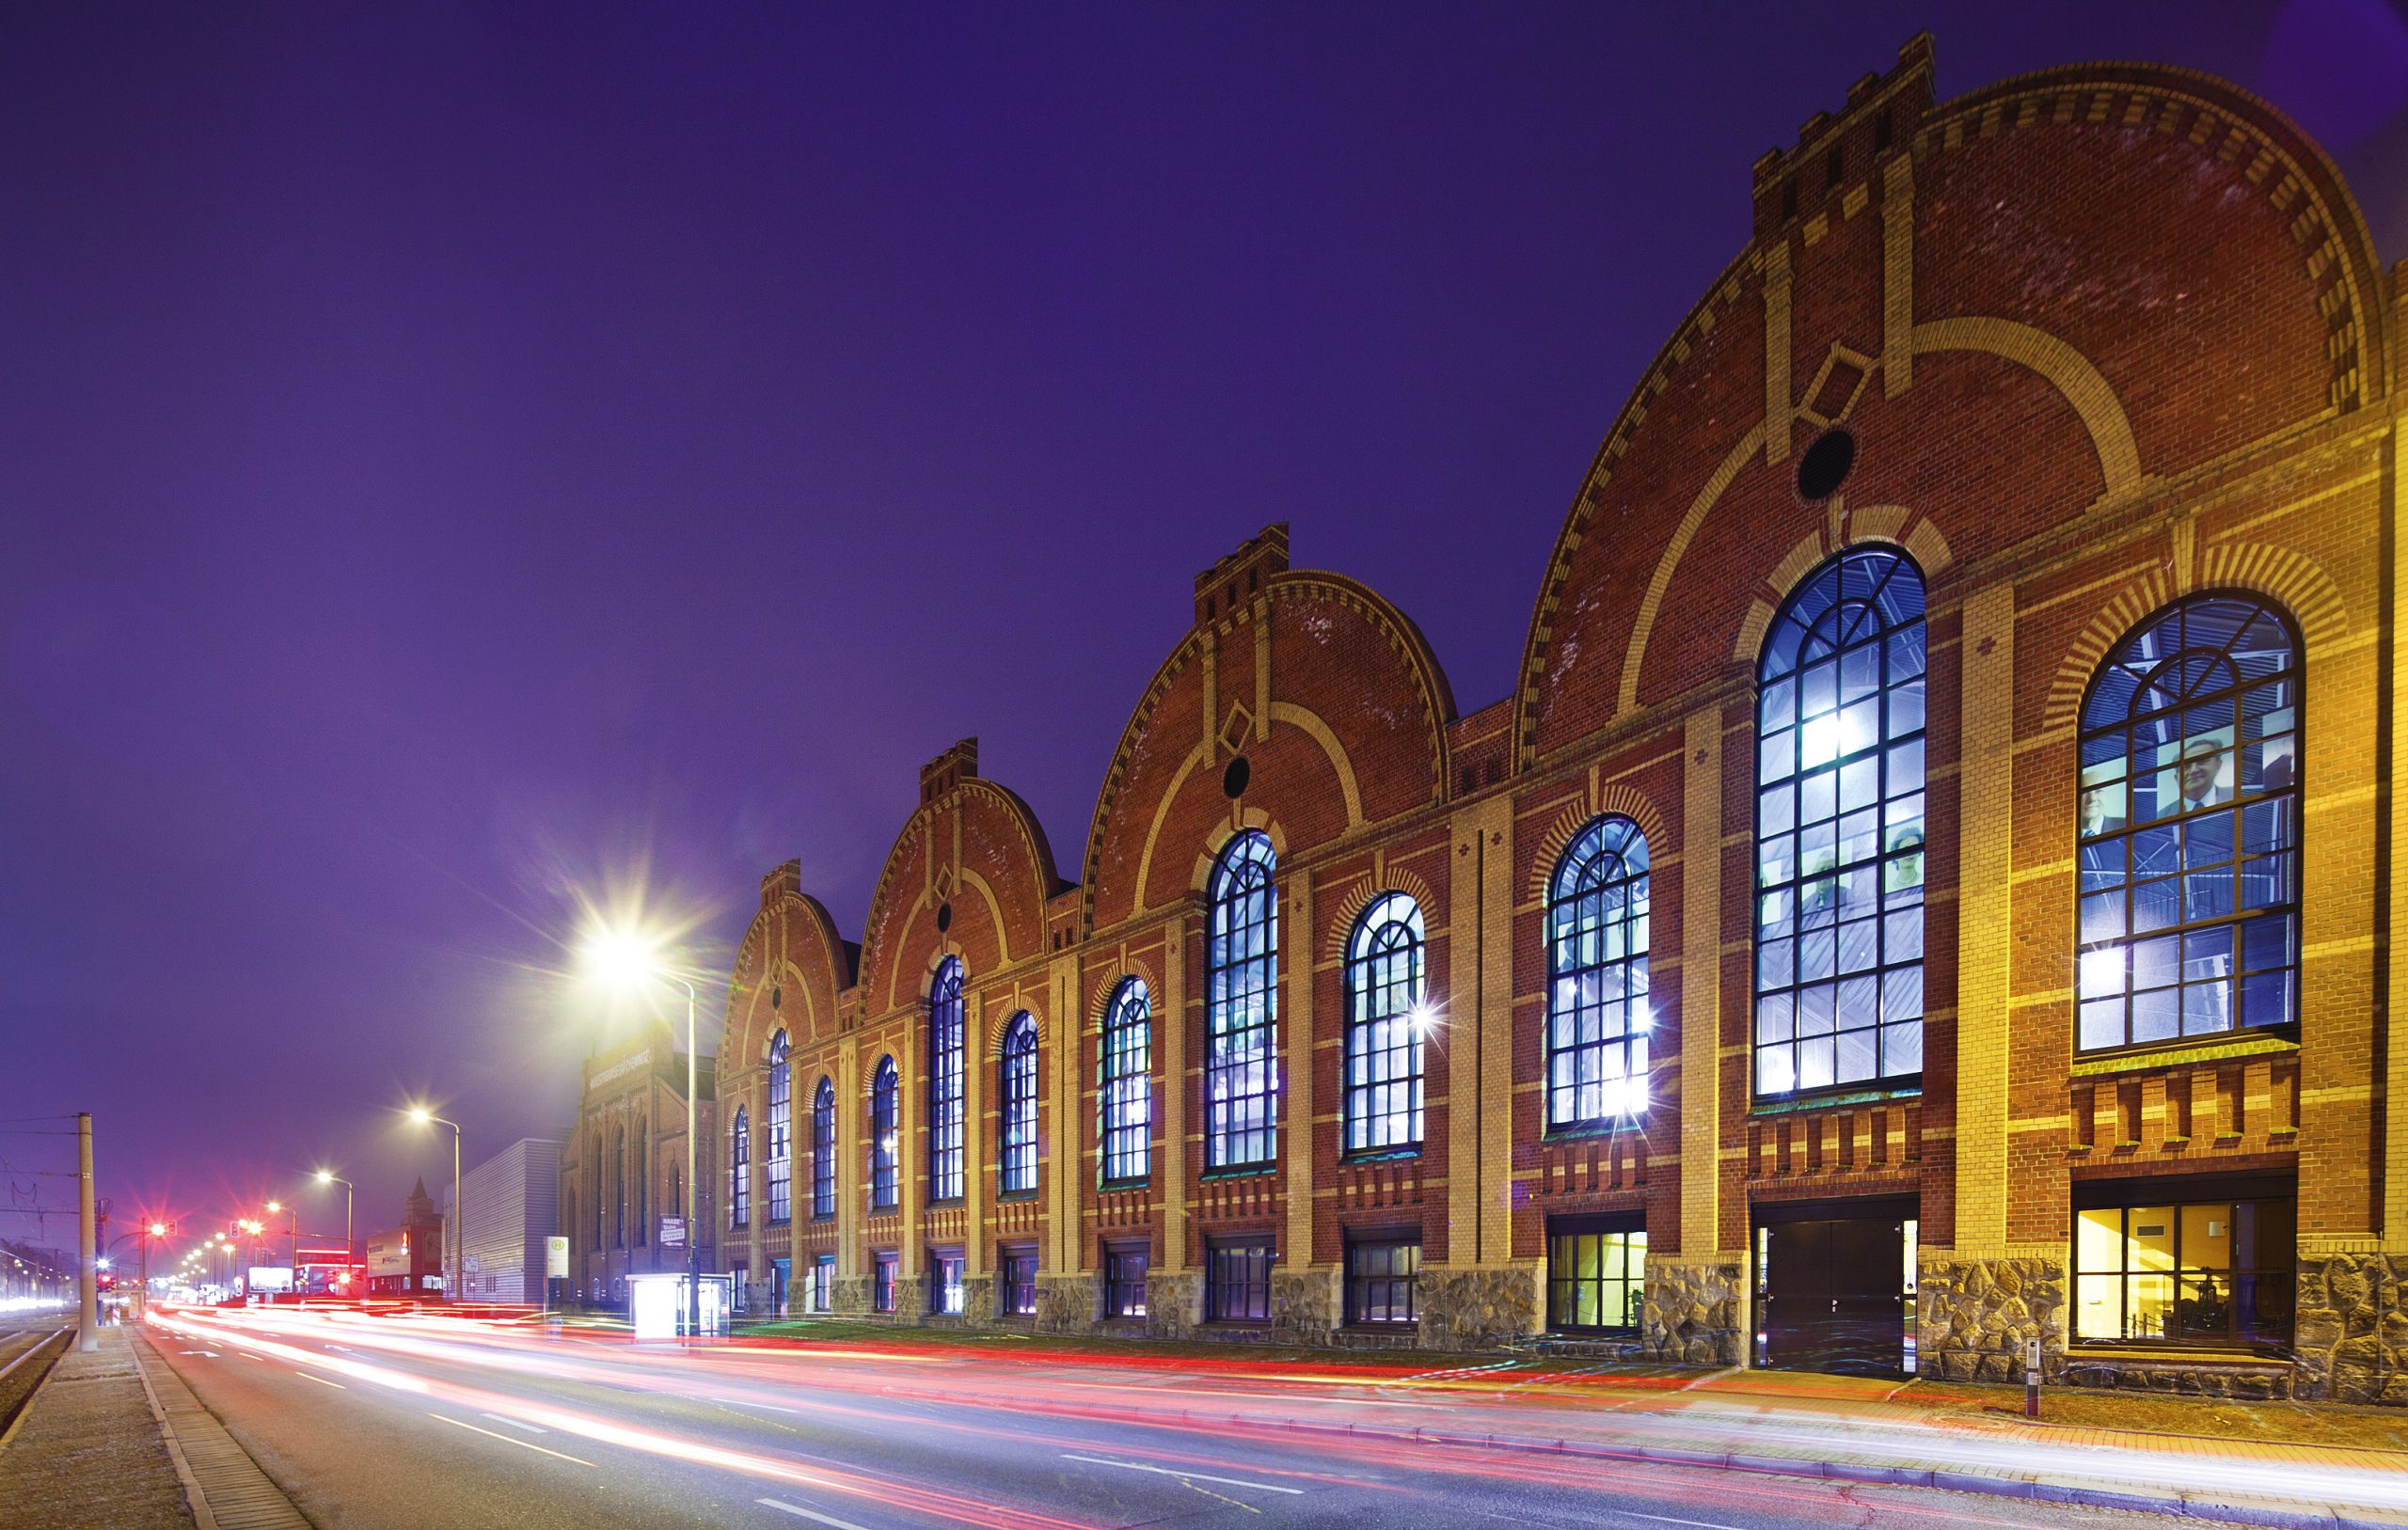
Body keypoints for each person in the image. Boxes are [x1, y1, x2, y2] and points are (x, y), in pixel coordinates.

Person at [2178, 735, 2230, 812]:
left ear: (2218, 765)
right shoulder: (2162, 815)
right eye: (2186, 766)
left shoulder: (2240, 796)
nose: (2193, 770)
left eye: (2202, 761)